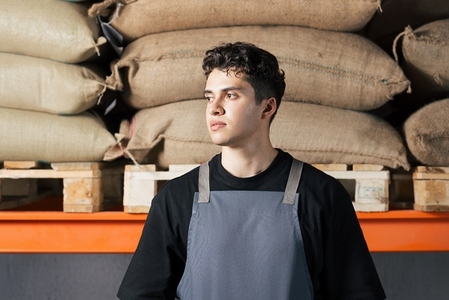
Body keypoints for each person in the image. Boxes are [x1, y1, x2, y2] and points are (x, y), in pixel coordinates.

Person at [117, 42, 386, 300]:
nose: (214, 108)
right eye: (209, 97)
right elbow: (141, 295)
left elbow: (357, 295)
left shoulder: (322, 195)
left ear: (267, 107)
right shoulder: (176, 199)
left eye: (230, 95)